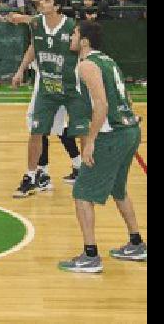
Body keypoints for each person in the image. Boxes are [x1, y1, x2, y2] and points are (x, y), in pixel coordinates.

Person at [58, 21, 146, 273]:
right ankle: (137, 243)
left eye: (74, 34)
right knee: (118, 189)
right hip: (129, 130)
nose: (71, 38)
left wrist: (91, 141)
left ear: (84, 41)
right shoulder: (107, 60)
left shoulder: (87, 65)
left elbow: (102, 105)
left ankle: (90, 256)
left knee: (82, 194)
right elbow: (126, 97)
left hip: (112, 136)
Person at [7, 0, 90, 198]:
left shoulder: (71, 27)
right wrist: (20, 70)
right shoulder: (37, 23)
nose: (41, 3)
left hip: (72, 88)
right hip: (47, 88)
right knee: (36, 131)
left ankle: (87, 172)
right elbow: (34, 46)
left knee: (81, 132)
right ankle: (31, 176)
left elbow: (85, 52)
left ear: (57, 6)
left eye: (46, 0)